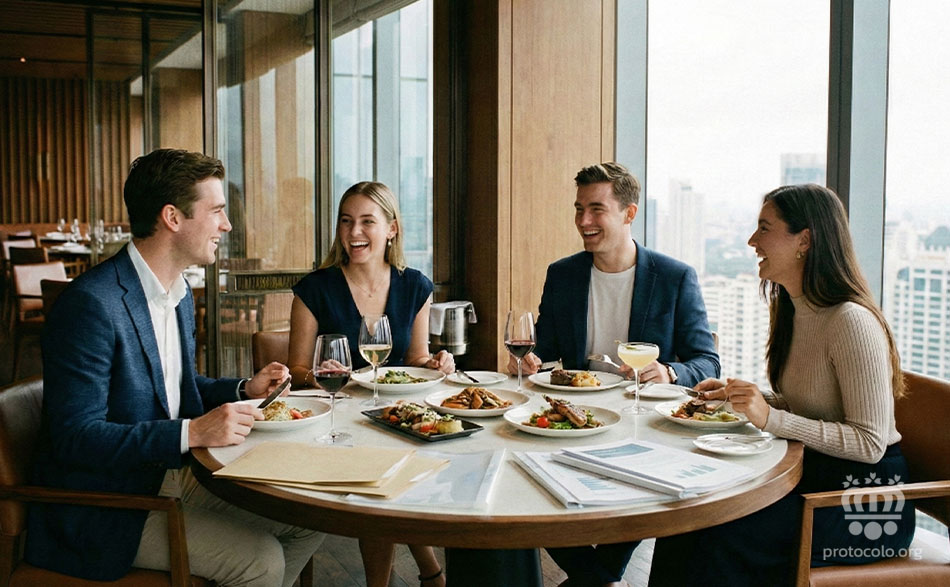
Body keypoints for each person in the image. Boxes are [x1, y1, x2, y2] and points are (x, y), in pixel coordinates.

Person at [26, 149, 325, 586]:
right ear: (172, 217)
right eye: (217, 211)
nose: (226, 224)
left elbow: (177, 391)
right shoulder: (91, 305)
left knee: (309, 519)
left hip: (167, 477)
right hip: (104, 505)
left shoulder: (179, 292)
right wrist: (193, 433)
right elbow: (76, 438)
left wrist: (243, 388)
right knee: (260, 560)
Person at [648, 184, 916, 587]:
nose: (752, 240)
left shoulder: (850, 321)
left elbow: (870, 443)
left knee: (720, 534)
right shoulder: (794, 309)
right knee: (689, 519)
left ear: (804, 241)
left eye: (764, 228)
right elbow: (809, 404)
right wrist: (739, 397)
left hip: (869, 505)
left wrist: (771, 417)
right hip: (815, 480)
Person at [499, 162, 720, 586]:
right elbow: (542, 347)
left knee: (647, 495)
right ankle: (597, 578)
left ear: (628, 213)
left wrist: (670, 372)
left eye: (596, 209)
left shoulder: (674, 277)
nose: (583, 221)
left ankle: (592, 578)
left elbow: (707, 362)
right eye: (579, 208)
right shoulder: (563, 274)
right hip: (577, 422)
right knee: (525, 483)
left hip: (646, 427)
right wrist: (527, 361)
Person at [288, 180, 449, 587]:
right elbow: (296, 369)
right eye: (346, 221)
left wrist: (436, 363)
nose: (354, 232)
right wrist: (330, 374)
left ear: (391, 228)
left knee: (404, 463)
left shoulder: (415, 285)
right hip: (339, 415)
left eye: (366, 221)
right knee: (377, 475)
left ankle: (429, 572)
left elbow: (414, 360)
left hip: (398, 411)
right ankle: (424, 574)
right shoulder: (315, 288)